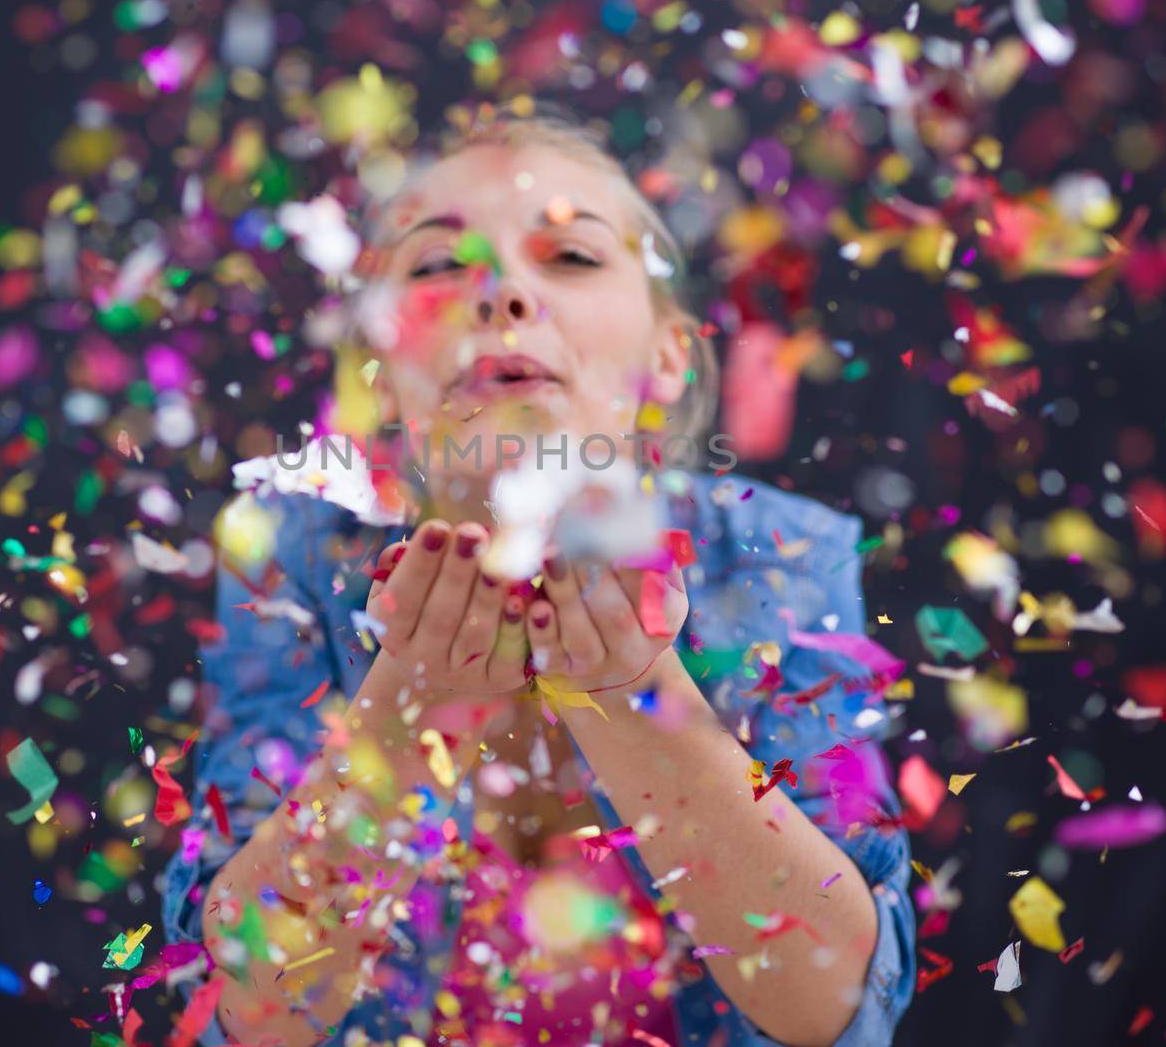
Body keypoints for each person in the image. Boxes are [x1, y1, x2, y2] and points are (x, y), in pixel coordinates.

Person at [161, 111, 915, 1046]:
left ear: (669, 357)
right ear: (378, 372)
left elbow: (837, 1008)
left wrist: (637, 694)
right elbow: (254, 1011)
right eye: (438, 266)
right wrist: (411, 710)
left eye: (572, 257)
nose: (505, 293)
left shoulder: (782, 553)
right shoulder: (294, 558)